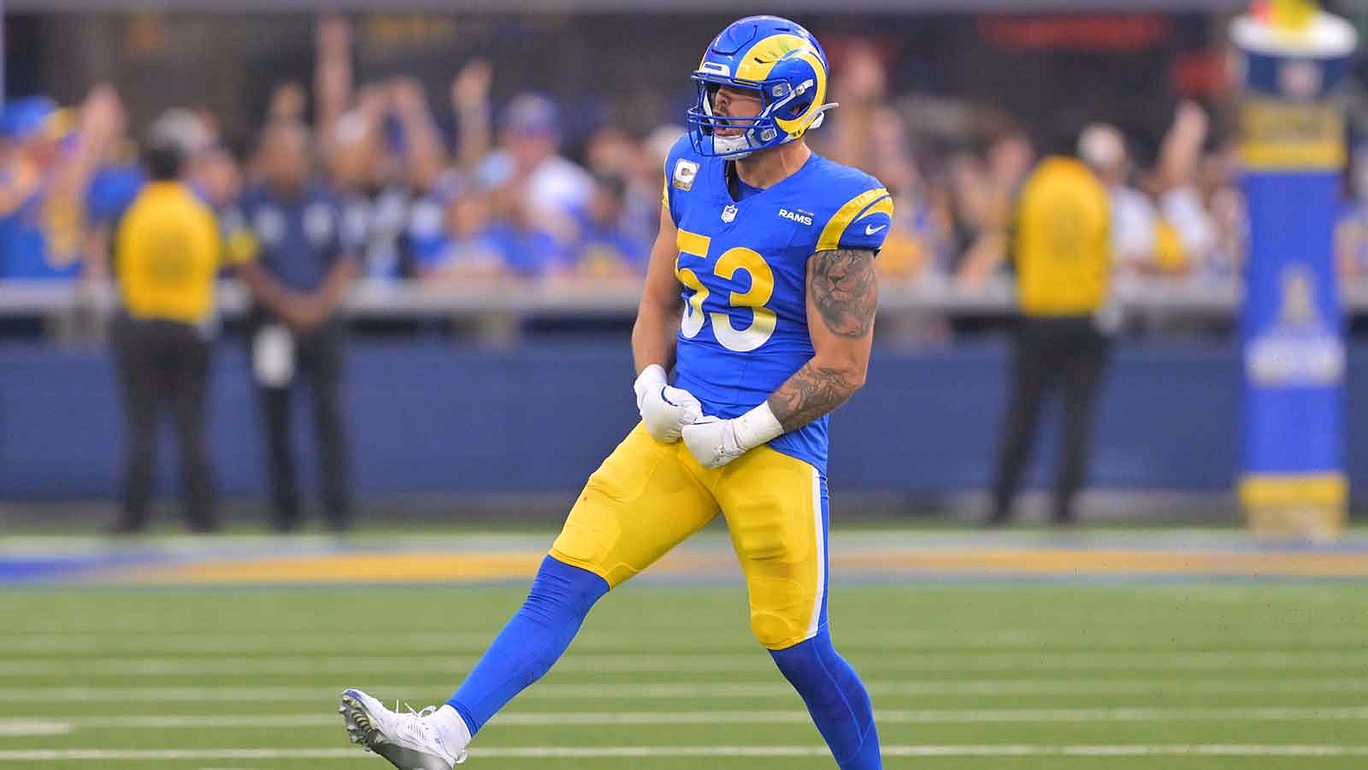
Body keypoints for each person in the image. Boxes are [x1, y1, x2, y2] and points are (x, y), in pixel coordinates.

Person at [339, 15, 891, 770]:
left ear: (787, 103)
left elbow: (843, 366)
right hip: (679, 433)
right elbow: (659, 303)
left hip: (774, 450)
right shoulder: (691, 168)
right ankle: (445, 734)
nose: (716, 110)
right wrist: (650, 384)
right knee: (561, 582)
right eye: (716, 93)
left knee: (798, 647)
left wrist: (742, 432)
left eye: (734, 97)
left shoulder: (841, 200)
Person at [227, 120, 358, 533]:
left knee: (328, 414)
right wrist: (288, 305)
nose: (286, 163)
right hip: (270, 327)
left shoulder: (329, 202)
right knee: (275, 416)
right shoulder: (248, 206)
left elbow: (347, 259)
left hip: (323, 325)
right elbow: (243, 265)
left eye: (293, 154)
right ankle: (285, 513)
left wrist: (316, 305)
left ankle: (338, 512)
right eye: (278, 154)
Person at [987, 117, 1112, 527]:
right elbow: (1103, 250)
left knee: (1022, 416)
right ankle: (1065, 507)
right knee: (1077, 418)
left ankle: (1002, 504)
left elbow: (1012, 247)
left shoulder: (1033, 188)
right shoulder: (1092, 191)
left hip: (1037, 316)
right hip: (1084, 316)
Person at [108, 135, 227, 534]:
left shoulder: (135, 213)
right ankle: (202, 516)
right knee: (192, 425)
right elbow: (212, 263)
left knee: (141, 426)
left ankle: (134, 517)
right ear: (182, 168)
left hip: (143, 325)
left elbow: (121, 267)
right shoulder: (198, 213)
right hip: (190, 325)